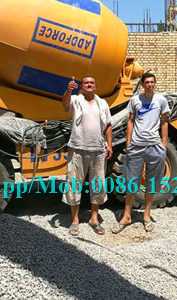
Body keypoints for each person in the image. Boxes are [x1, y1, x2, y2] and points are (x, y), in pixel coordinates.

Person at [112, 72, 170, 234]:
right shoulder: (135, 100)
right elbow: (130, 120)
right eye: (147, 82)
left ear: (154, 83)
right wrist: (128, 142)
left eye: (152, 82)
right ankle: (127, 216)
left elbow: (164, 122)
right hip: (136, 146)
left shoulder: (161, 100)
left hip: (155, 146)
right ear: (143, 84)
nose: (150, 85)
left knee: (151, 183)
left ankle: (146, 216)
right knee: (132, 182)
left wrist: (164, 144)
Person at [62, 76, 113, 236]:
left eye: (92, 82)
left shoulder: (102, 103)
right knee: (74, 183)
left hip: (98, 150)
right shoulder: (76, 100)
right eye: (86, 83)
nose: (89, 84)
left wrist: (109, 145)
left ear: (95, 86)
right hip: (78, 148)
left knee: (97, 185)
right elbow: (65, 104)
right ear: (81, 86)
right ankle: (75, 220)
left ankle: (94, 219)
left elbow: (108, 125)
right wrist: (68, 90)